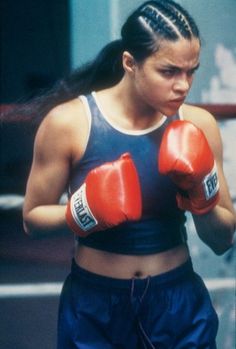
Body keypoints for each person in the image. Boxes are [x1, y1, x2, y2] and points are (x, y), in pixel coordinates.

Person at [22, 0, 236, 348]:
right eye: (169, 72)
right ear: (130, 63)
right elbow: (32, 219)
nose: (183, 85)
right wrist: (82, 211)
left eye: (191, 71)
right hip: (96, 305)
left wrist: (202, 196)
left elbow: (221, 239)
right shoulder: (71, 122)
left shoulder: (197, 125)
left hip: (177, 302)